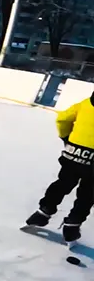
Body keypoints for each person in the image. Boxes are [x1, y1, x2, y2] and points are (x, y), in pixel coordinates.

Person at [26, 91, 94, 243]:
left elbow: (62, 119)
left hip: (73, 155)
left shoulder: (84, 104)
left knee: (62, 183)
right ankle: (72, 225)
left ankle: (43, 212)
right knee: (87, 194)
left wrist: (66, 138)